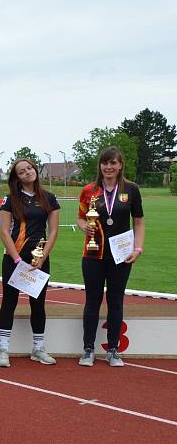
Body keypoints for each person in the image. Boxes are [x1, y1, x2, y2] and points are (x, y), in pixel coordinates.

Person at [76, 146, 144, 367]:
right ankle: (88, 349)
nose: (109, 167)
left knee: (115, 300)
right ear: (100, 166)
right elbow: (80, 217)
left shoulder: (131, 190)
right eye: (105, 163)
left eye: (113, 163)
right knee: (92, 301)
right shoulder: (89, 190)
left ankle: (113, 350)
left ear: (120, 165)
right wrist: (84, 225)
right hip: (93, 254)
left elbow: (139, 222)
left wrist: (138, 249)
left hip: (121, 255)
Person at [0, 158, 60, 367]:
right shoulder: (10, 199)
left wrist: (42, 258)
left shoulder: (49, 198)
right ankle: (4, 350)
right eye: (22, 172)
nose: (27, 173)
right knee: (9, 302)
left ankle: (38, 348)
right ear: (17, 178)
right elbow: (4, 231)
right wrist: (16, 258)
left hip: (38, 260)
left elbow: (53, 231)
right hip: (13, 258)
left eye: (29, 168)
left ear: (35, 170)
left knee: (38, 303)